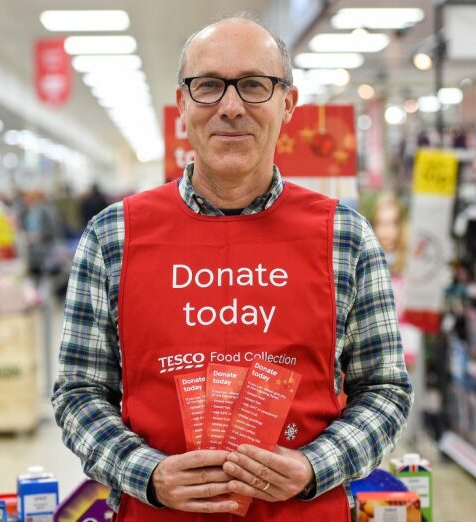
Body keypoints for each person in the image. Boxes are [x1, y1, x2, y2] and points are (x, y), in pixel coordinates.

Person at [52, 14, 412, 521]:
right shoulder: (114, 235)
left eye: (253, 85)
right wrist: (147, 473)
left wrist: (315, 465)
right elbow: (79, 392)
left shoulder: (344, 236)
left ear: (288, 104)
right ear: (182, 104)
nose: (230, 107)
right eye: (208, 86)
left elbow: (385, 390)